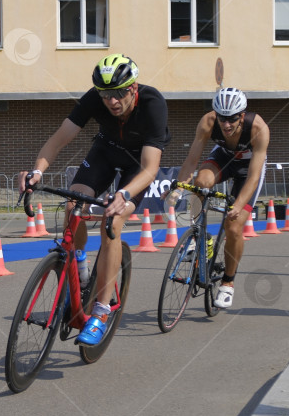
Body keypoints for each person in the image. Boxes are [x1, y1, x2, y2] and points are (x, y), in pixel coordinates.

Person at [20, 53, 171, 346]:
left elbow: (150, 168)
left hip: (138, 164)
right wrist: (37, 172)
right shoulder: (94, 98)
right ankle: (81, 269)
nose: (111, 101)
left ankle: (101, 313)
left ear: (133, 88)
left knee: (111, 221)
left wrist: (124, 193)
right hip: (106, 151)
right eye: (105, 95)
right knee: (73, 205)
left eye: (118, 94)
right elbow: (58, 140)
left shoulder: (153, 103)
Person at [165, 87, 270, 309]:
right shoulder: (208, 122)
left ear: (242, 115)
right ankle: (199, 236)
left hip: (248, 170)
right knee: (201, 183)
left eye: (232, 119)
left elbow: (253, 177)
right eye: (222, 118)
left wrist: (238, 206)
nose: (226, 125)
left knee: (233, 226)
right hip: (223, 158)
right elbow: (192, 160)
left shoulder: (258, 128)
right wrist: (179, 188)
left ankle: (228, 283)